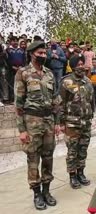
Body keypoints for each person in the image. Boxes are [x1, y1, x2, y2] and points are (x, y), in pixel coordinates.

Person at [14, 41, 60, 210]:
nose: (43, 55)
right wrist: (22, 130)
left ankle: (47, 191)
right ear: (32, 54)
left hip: (48, 121)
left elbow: (56, 100)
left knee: (48, 157)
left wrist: (57, 122)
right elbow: (18, 104)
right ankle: (36, 193)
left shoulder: (49, 74)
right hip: (32, 122)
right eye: (40, 53)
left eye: (44, 53)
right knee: (33, 159)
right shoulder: (23, 73)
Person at [59, 54, 94, 189]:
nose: (81, 66)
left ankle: (81, 172)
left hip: (86, 122)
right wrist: (61, 123)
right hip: (72, 123)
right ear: (73, 67)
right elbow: (60, 104)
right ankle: (72, 175)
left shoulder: (88, 81)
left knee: (83, 149)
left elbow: (91, 101)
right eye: (78, 64)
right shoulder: (66, 82)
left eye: (82, 64)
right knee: (72, 150)